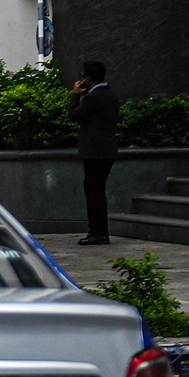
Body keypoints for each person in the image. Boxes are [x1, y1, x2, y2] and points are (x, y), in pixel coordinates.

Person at [69, 60, 119, 246]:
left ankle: (98, 232)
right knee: (96, 190)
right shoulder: (111, 95)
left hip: (95, 151)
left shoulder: (93, 98)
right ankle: (99, 231)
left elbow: (74, 115)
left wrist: (75, 95)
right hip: (107, 150)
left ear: (88, 79)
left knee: (94, 192)